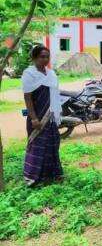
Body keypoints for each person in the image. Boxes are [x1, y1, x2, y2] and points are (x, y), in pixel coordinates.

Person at [22, 45, 63, 186]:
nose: (45, 59)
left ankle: (50, 175)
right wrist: (33, 118)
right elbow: (27, 98)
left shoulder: (51, 74)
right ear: (34, 58)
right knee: (37, 146)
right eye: (42, 56)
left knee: (51, 144)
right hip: (37, 117)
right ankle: (32, 177)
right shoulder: (29, 74)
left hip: (49, 117)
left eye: (47, 56)